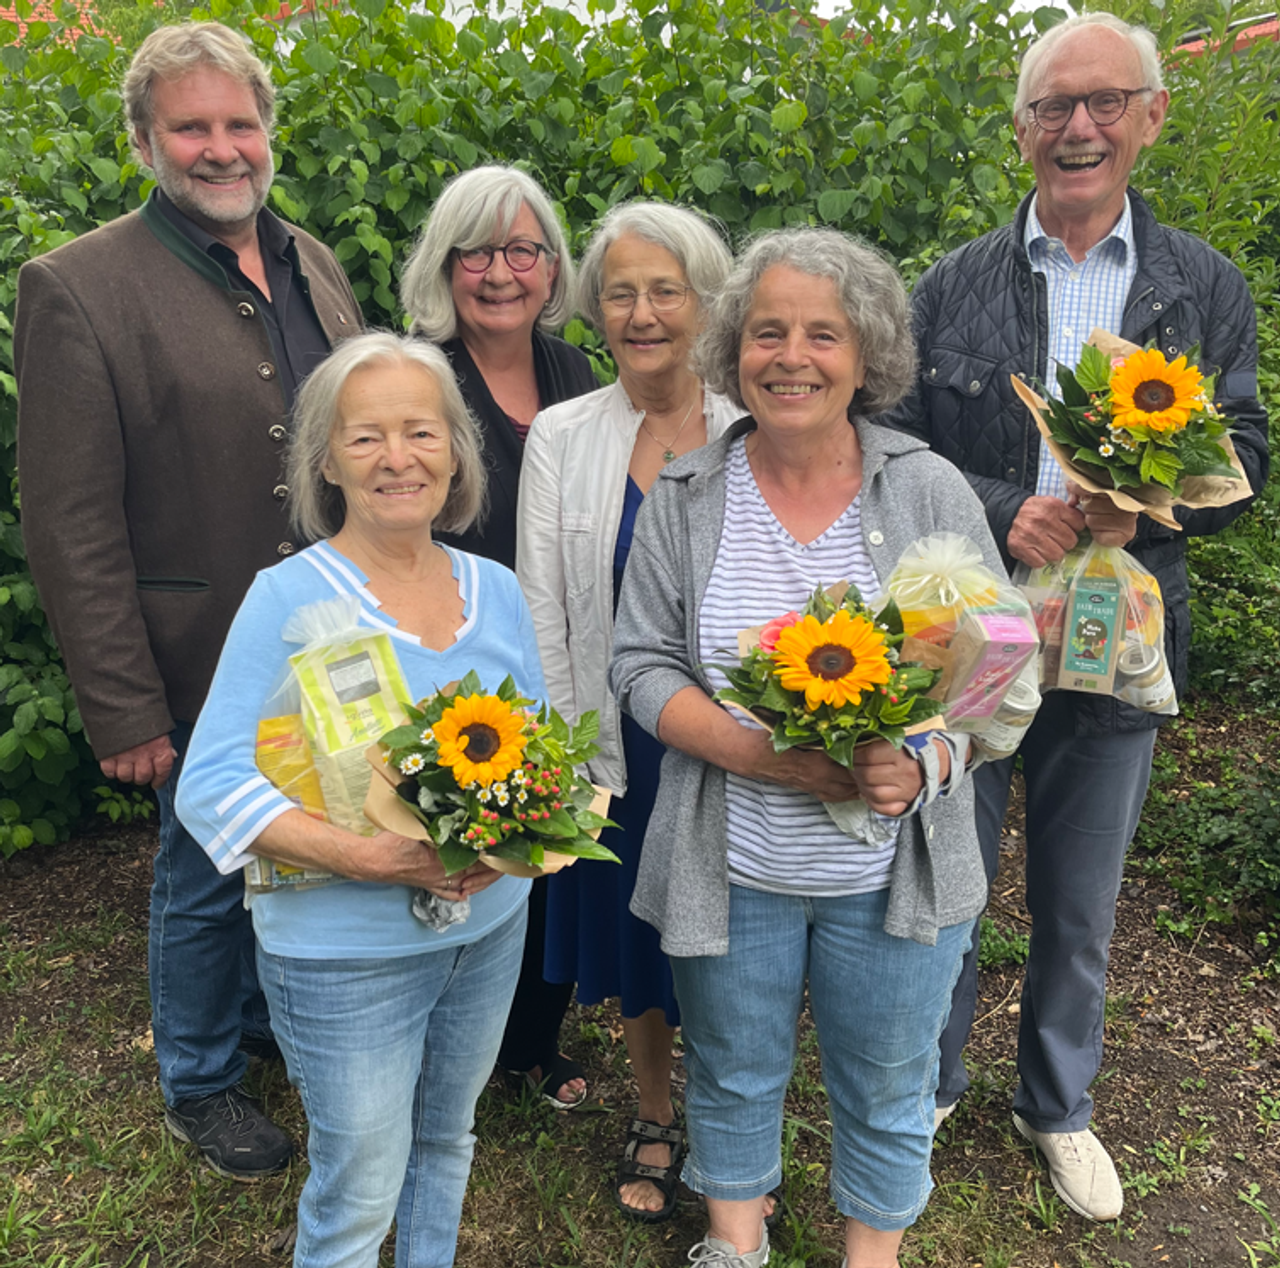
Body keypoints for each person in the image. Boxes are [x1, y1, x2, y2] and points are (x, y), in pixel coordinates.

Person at [881, 11, 1270, 1223]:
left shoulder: (1199, 285)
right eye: (1052, 105)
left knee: (1081, 895)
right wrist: (1007, 508)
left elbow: (1247, 452)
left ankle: (1054, 1103)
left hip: (1121, 639)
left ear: (1150, 116)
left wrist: (1144, 503)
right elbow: (894, 447)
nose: (1078, 126)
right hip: (973, 638)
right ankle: (927, 1083)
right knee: (946, 876)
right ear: (1020, 130)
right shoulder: (952, 283)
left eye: (1104, 102)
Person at [609, 228, 1003, 1268]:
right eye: (767, 332)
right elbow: (639, 664)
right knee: (732, 1069)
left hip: (891, 876)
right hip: (733, 865)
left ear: (865, 355)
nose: (792, 357)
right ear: (732, 349)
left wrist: (925, 765)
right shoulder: (688, 494)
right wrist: (760, 755)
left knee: (887, 1080)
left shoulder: (927, 489)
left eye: (823, 334)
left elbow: (998, 674)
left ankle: (870, 1255)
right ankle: (734, 1242)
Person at [14, 21, 361, 1179]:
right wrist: (121, 704)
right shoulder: (77, 285)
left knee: (304, 843)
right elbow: (70, 518)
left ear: (269, 131)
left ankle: (261, 1023)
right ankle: (200, 1079)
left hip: (328, 637)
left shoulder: (312, 259)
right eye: (192, 127)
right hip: (194, 649)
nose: (222, 148)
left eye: (239, 123)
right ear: (145, 141)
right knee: (205, 871)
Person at [176, 332, 543, 1268]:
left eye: (421, 431)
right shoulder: (289, 600)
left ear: (456, 452)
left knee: (446, 1141)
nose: (397, 458)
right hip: (345, 957)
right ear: (326, 461)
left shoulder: (496, 590)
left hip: (487, 935)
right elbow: (211, 784)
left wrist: (525, 842)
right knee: (361, 1187)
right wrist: (373, 859)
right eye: (365, 436)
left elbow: (536, 755)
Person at [516, 201, 738, 1221]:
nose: (642, 314)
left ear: (707, 302)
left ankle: (734, 1124)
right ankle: (655, 1105)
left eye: (664, 291)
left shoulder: (754, 423)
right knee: (642, 934)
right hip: (615, 742)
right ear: (594, 311)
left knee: (734, 939)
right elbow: (542, 605)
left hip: (733, 739)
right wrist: (566, 753)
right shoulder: (563, 435)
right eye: (619, 294)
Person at [400, 165, 598, 1108]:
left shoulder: (573, 371)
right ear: (444, 267)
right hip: (450, 650)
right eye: (476, 251)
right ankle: (441, 1048)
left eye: (523, 250)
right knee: (455, 853)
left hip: (556, 646)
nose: (500, 273)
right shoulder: (417, 375)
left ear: (552, 268)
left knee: (547, 845)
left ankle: (528, 1041)